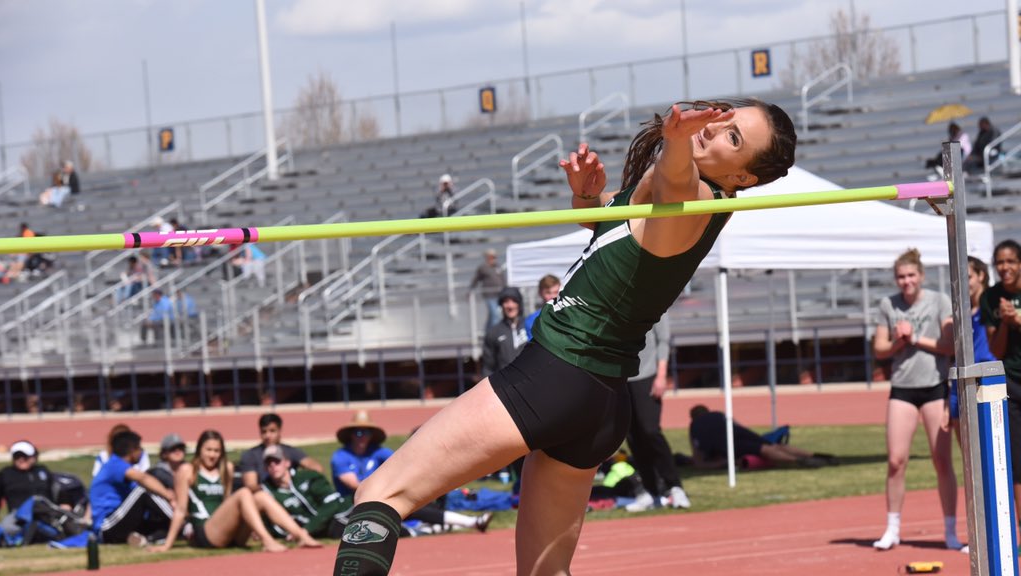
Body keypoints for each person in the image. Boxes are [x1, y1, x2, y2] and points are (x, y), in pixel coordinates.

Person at [333, 98, 797, 576]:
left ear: (743, 179)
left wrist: (676, 140)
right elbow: (618, 234)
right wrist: (587, 199)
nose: (716, 132)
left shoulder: (694, 197)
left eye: (734, 139)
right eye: (726, 121)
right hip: (600, 400)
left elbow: (674, 183)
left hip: (558, 374)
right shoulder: (675, 194)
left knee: (380, 492)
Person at [871, 248, 961, 552]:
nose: (906, 281)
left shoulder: (939, 301)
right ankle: (892, 528)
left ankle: (950, 530)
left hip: (935, 386)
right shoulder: (888, 304)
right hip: (903, 388)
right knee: (896, 461)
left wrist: (914, 338)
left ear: (920, 276)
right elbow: (879, 349)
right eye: (901, 276)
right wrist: (899, 341)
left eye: (911, 275)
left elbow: (950, 346)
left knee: (941, 460)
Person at [148, 430, 321, 553]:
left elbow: (227, 503)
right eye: (208, 450)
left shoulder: (227, 469)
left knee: (259, 496)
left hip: (228, 532)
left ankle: (301, 535)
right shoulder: (187, 470)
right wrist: (167, 545)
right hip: (205, 532)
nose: (213, 455)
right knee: (245, 493)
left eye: (217, 451)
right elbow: (180, 510)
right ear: (200, 450)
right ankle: (267, 540)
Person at [330, 411, 492, 535]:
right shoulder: (340, 457)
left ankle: (468, 522)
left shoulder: (378, 452)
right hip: (353, 504)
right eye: (358, 432)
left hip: (382, 497)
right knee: (402, 509)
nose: (362, 437)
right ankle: (468, 522)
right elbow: (355, 486)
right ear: (350, 435)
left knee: (418, 500)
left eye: (366, 432)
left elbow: (402, 466)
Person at [623, 315, 691, 512]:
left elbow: (663, 340)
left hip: (647, 375)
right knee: (633, 436)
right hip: (622, 377)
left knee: (650, 430)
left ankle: (674, 486)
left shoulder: (654, 303)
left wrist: (661, 375)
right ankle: (652, 491)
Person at [980, 239, 1021, 528]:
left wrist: (1017, 318)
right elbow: (995, 349)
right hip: (1012, 383)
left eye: (1010, 261)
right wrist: (1006, 321)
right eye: (1000, 262)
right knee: (1017, 461)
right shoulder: (991, 298)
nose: (1004, 267)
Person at [944, 257, 998, 444]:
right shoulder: (959, 315)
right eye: (959, 279)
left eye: (967, 277)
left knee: (990, 449)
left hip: (986, 381)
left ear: (981, 275)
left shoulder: (993, 305)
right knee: (967, 451)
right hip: (960, 383)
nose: (963, 284)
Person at [89, 430, 175, 544]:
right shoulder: (115, 464)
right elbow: (143, 478)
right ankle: (182, 522)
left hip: (120, 520)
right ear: (132, 451)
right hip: (106, 526)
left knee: (157, 518)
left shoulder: (118, 466)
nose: (142, 452)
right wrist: (168, 495)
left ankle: (149, 538)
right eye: (140, 448)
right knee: (143, 490)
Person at [688, 405, 833, 469]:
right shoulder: (718, 414)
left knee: (762, 450)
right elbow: (739, 426)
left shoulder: (694, 426)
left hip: (725, 443)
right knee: (772, 445)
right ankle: (816, 455)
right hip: (738, 432)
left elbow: (698, 459)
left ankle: (799, 461)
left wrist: (721, 463)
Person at [263, 445, 353, 539]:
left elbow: (332, 504)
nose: (273, 466)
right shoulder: (270, 493)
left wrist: (307, 530)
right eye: (268, 463)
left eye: (277, 461)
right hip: (326, 529)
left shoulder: (309, 477)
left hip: (343, 512)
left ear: (287, 463)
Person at [238, 413, 324, 492]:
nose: (268, 436)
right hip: (265, 497)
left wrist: (300, 483)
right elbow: (251, 485)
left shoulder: (290, 451)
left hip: (291, 493)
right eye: (264, 432)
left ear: (279, 431)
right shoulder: (250, 455)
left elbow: (317, 468)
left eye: (272, 431)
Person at [480, 287, 527, 377]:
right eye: (506, 302)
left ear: (519, 304)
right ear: (501, 305)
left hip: (529, 383)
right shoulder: (494, 332)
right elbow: (488, 367)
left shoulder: (530, 326)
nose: (510, 306)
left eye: (514, 301)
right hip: (505, 386)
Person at [468, 249, 506, 330]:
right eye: (492, 257)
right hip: (489, 295)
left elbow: (503, 279)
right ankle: (495, 332)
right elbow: (476, 279)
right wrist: (471, 289)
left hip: (499, 295)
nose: (494, 259)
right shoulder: (483, 268)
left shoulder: (498, 267)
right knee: (495, 314)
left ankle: (488, 332)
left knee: (492, 315)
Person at [524, 274, 560, 339]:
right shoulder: (532, 321)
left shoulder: (570, 315)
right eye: (548, 293)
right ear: (540, 293)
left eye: (556, 292)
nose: (552, 296)